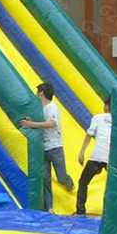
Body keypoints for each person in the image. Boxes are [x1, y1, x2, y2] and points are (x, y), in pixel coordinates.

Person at [19, 82, 74, 211]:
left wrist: (31, 124)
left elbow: (52, 124)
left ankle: (69, 183)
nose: (35, 95)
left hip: (55, 147)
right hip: (42, 148)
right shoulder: (40, 109)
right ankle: (49, 208)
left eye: (37, 92)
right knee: (45, 179)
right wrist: (30, 121)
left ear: (41, 93)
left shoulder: (52, 107)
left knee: (61, 177)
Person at [76, 97, 112, 215]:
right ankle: (110, 211)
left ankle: (80, 211)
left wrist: (82, 152)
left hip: (97, 157)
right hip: (110, 159)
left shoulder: (98, 117)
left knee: (83, 182)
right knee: (112, 186)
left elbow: (89, 135)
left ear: (106, 106)